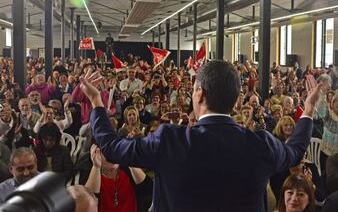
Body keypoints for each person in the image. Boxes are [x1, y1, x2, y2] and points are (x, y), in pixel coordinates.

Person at [82, 60, 323, 212]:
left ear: (199, 93)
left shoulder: (169, 140)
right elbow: (295, 152)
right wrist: (308, 111)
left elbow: (112, 148)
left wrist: (96, 102)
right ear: (236, 100)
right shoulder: (261, 145)